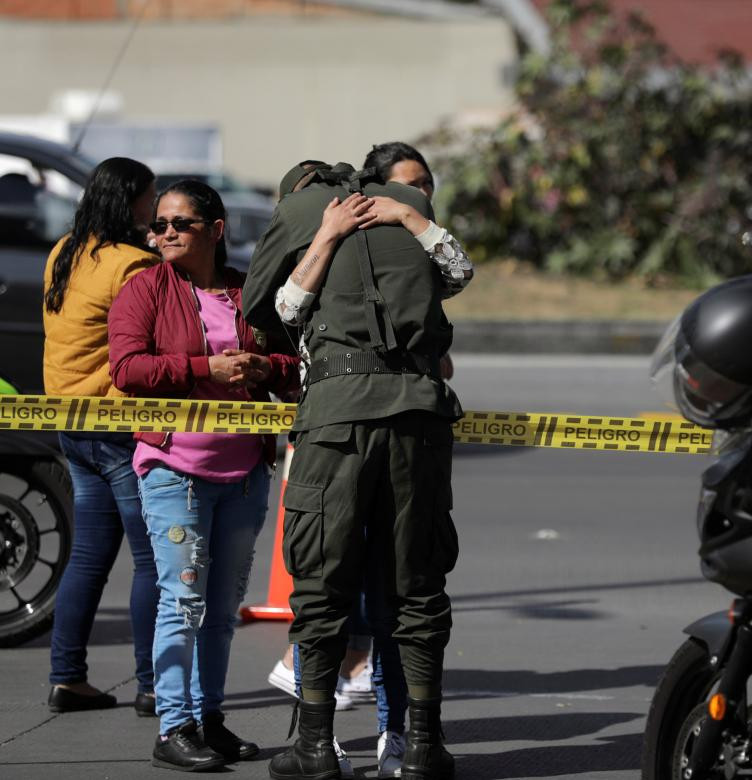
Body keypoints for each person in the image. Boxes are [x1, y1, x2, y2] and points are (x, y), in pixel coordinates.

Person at [243, 156, 465, 780]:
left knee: (321, 585)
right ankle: (421, 745)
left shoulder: (299, 213)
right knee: (417, 583)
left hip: (336, 422)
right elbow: (453, 283)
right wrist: (406, 218)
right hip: (418, 418)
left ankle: (315, 746)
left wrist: (321, 245)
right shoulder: (409, 208)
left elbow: (264, 313)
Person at [108, 180, 301, 772]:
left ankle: (207, 717)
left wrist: (261, 365)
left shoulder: (250, 291)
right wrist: (204, 366)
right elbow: (127, 367)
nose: (164, 233)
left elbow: (295, 364)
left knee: (221, 609)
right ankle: (173, 725)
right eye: (158, 224)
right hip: (173, 470)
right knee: (182, 602)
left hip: (243, 472)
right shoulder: (143, 289)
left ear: (216, 230)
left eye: (179, 224)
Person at [42, 157, 160, 717]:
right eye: (152, 197)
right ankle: (153, 684)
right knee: (152, 559)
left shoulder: (63, 251)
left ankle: (67, 678)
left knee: (88, 556)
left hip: (70, 423)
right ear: (132, 201)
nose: (157, 208)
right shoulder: (132, 265)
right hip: (116, 427)